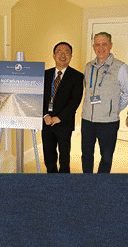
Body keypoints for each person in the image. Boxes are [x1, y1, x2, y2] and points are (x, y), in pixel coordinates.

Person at [80, 32, 128, 173]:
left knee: (106, 157)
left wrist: (113, 109)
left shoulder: (120, 67)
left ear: (110, 46)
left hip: (108, 122)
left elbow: (127, 93)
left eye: (104, 44)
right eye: (97, 44)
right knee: (86, 155)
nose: (100, 47)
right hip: (87, 120)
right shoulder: (88, 66)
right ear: (93, 46)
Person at [42, 42, 84, 173]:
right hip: (46, 121)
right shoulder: (44, 74)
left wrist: (59, 118)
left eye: (66, 52)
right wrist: (45, 115)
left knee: (64, 156)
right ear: (54, 56)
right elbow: (39, 98)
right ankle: (51, 177)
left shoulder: (77, 76)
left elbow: (74, 101)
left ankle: (64, 181)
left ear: (71, 56)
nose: (63, 55)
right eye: (59, 52)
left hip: (64, 122)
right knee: (48, 154)